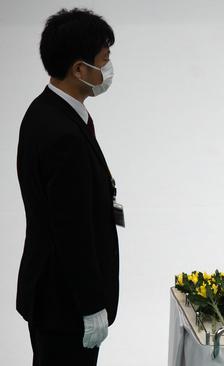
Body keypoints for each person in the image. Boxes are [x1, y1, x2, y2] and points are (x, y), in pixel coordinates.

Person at [16, 8, 122, 366]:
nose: (108, 70)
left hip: (55, 298)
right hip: (66, 304)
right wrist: (91, 305)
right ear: (80, 69)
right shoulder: (62, 135)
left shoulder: (46, 111)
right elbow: (70, 230)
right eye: (104, 61)